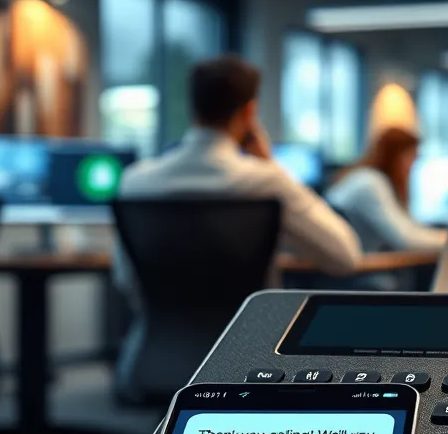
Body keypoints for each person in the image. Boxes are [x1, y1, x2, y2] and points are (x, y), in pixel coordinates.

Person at [118, 54, 361, 274]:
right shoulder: (267, 182)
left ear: (193, 108)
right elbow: (346, 256)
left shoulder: (135, 182)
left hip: (161, 324)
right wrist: (271, 164)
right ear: (249, 113)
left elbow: (124, 277)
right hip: (252, 324)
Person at [326, 126, 446, 255]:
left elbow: (408, 228)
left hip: (359, 263)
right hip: (355, 270)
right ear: (396, 156)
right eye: (411, 158)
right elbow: (406, 240)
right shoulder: (369, 183)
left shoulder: (369, 178)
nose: (412, 167)